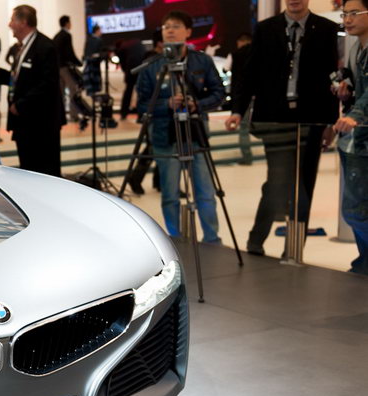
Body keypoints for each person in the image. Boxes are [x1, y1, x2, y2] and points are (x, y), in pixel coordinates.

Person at [226, 0, 339, 256]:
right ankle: (256, 240)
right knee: (277, 181)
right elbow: (250, 73)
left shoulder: (326, 28)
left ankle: (294, 250)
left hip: (312, 119)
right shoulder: (266, 28)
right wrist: (237, 110)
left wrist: (331, 122)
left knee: (305, 185)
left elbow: (331, 76)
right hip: (275, 119)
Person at [136, 11, 225, 242]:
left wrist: (197, 104)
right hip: (165, 137)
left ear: (188, 32)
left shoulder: (201, 61)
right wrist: (167, 104)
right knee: (170, 195)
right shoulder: (151, 66)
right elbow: (142, 104)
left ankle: (212, 239)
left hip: (196, 134)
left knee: (205, 192)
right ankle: (175, 240)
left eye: (175, 26)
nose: (170, 30)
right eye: (166, 27)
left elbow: (218, 93)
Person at [0, 5, 65, 176]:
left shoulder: (45, 46)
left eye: (12, 20)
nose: (9, 24)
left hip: (41, 124)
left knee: (45, 172)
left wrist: (20, 105)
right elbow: (21, 79)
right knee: (28, 171)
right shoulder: (22, 47)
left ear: (23, 22)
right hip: (25, 123)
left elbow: (48, 84)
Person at [334, 0, 368, 274]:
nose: (347, 19)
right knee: (356, 209)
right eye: (345, 13)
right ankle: (364, 261)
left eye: (354, 13)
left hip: (361, 137)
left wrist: (355, 114)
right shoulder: (356, 49)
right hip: (355, 140)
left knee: (356, 210)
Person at [127, 29, 164, 195]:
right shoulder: (152, 62)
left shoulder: (157, 59)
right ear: (160, 43)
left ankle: (159, 181)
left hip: (161, 112)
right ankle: (136, 178)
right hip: (154, 111)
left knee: (159, 147)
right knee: (153, 147)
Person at [229, 33, 254, 165]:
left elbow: (227, 69)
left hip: (242, 97)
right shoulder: (259, 52)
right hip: (259, 95)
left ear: (240, 42)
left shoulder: (235, 55)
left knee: (243, 128)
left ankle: (247, 156)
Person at [53, 15, 83, 122]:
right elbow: (69, 52)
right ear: (66, 23)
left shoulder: (57, 36)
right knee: (73, 89)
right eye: (70, 22)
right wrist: (78, 63)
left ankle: (59, 116)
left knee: (60, 92)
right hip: (65, 67)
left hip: (57, 67)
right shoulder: (66, 35)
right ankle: (74, 115)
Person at [116, 38, 145, 120]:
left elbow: (122, 64)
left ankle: (123, 113)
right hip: (142, 67)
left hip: (131, 69)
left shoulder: (122, 48)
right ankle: (141, 115)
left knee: (128, 92)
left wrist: (126, 71)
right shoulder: (137, 42)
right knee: (141, 92)